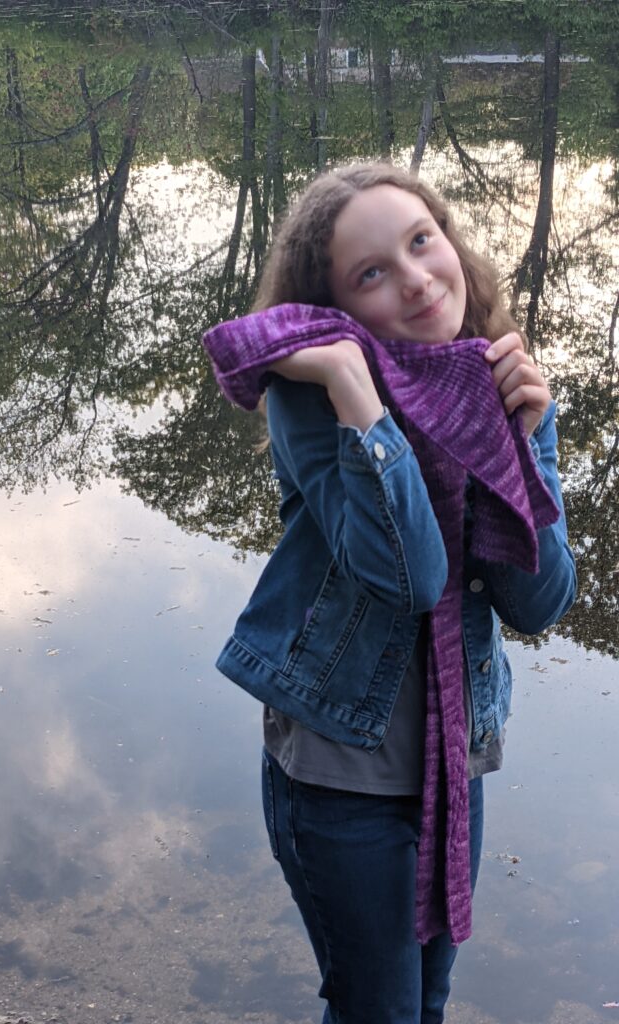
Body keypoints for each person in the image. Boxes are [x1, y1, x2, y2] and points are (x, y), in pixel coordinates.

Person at [202, 162, 577, 1024]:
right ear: (334, 302)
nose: (414, 279)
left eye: (421, 241)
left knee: (429, 1002)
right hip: (340, 771)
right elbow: (412, 576)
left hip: (457, 758)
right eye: (372, 272)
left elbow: (540, 603)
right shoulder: (316, 398)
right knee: (379, 1012)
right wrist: (357, 396)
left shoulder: (503, 384)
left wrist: (519, 441)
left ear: (449, 242)